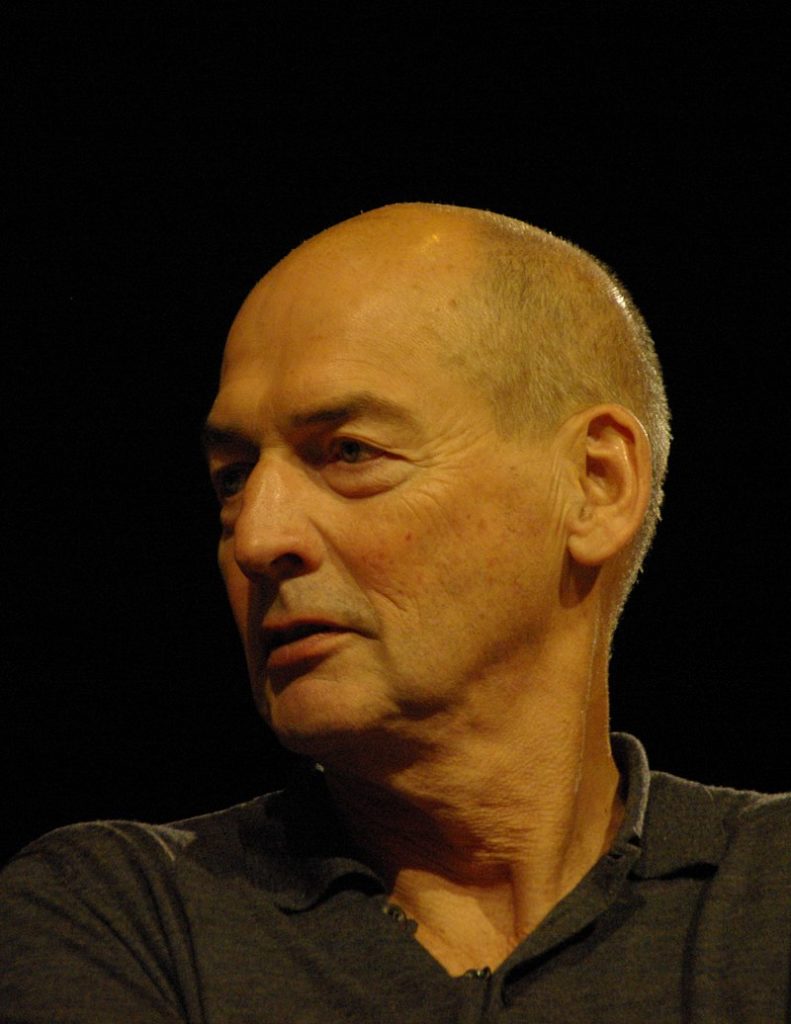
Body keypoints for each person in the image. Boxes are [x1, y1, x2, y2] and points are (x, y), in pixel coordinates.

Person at [1, 203, 788, 1022]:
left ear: (594, 485)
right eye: (232, 478)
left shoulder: (769, 892)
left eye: (348, 452)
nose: (257, 539)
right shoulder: (123, 916)